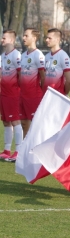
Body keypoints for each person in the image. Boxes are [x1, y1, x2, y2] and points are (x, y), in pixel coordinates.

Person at [0, 30, 23, 161]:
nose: (2, 40)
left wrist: (17, 89)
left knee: (15, 121)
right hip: (3, 94)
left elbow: (21, 75)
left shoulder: (17, 55)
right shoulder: (2, 56)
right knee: (6, 122)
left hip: (14, 94)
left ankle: (18, 150)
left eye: (4, 38)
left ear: (11, 40)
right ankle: (7, 150)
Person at [20, 28, 45, 138]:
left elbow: (43, 77)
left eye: (26, 36)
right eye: (23, 36)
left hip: (33, 96)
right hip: (22, 95)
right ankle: (23, 150)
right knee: (24, 124)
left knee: (35, 125)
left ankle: (34, 150)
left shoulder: (38, 55)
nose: (23, 38)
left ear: (34, 38)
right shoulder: (23, 55)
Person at [44, 28, 70, 95]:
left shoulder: (63, 56)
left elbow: (69, 81)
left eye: (49, 38)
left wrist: (64, 94)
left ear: (57, 40)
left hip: (56, 97)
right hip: (46, 96)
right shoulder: (47, 56)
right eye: (46, 38)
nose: (46, 40)